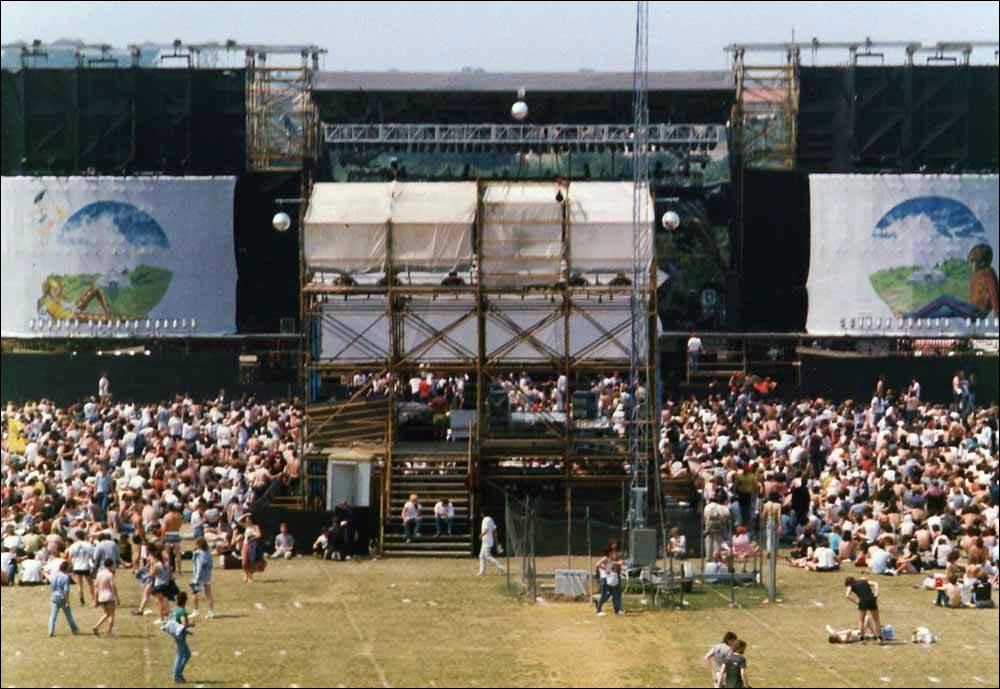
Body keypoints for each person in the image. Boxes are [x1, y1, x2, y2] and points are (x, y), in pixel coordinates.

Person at [845, 576, 884, 644]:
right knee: (876, 620)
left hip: (863, 601)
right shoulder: (864, 581)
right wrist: (876, 593)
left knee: (861, 620)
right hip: (872, 599)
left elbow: (847, 595)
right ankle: (880, 638)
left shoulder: (851, 586)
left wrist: (857, 603)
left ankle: (862, 639)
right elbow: (876, 583)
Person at [48, 560, 79, 638]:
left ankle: (51, 631)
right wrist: (68, 601)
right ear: (66, 569)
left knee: (53, 616)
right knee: (68, 615)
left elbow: (51, 587)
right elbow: (66, 590)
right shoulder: (66, 577)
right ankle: (74, 629)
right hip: (62, 597)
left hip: (54, 597)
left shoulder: (54, 575)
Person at [170, 592, 194, 684]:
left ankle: (179, 674)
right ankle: (176, 676)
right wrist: (191, 625)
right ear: (185, 601)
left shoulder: (175, 610)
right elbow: (184, 624)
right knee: (181, 656)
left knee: (187, 655)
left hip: (177, 635)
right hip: (180, 637)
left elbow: (175, 623)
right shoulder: (182, 611)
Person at [595, 543, 625, 616]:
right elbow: (597, 564)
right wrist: (605, 569)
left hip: (610, 578)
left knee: (613, 593)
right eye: (612, 553)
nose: (613, 554)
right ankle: (598, 610)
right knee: (604, 595)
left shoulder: (609, 559)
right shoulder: (605, 558)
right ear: (609, 553)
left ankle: (617, 610)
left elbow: (615, 564)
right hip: (604, 578)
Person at [190, 538, 215, 620]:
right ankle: (211, 612)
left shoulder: (198, 554)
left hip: (199, 576)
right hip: (207, 575)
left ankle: (195, 611)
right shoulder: (209, 553)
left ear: (198, 545)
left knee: (194, 593)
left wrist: (196, 578)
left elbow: (199, 566)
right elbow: (211, 565)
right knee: (208, 594)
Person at [92, 559, 119, 637]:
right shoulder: (110, 575)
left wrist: (95, 599)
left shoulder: (99, 574)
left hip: (101, 597)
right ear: (111, 565)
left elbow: (96, 587)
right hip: (109, 596)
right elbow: (113, 586)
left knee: (106, 614)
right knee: (111, 615)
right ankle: (109, 632)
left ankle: (96, 626)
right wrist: (117, 597)